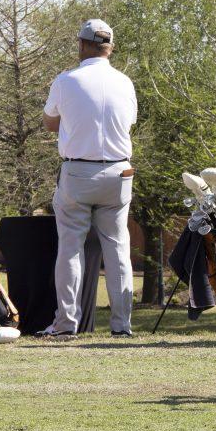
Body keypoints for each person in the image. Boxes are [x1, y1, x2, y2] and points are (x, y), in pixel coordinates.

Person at [39, 19, 138, 338]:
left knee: (70, 248)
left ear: (82, 45)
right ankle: (122, 325)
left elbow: (50, 123)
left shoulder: (66, 80)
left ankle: (67, 323)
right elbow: (128, 123)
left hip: (79, 171)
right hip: (119, 172)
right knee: (118, 247)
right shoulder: (125, 82)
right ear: (110, 48)